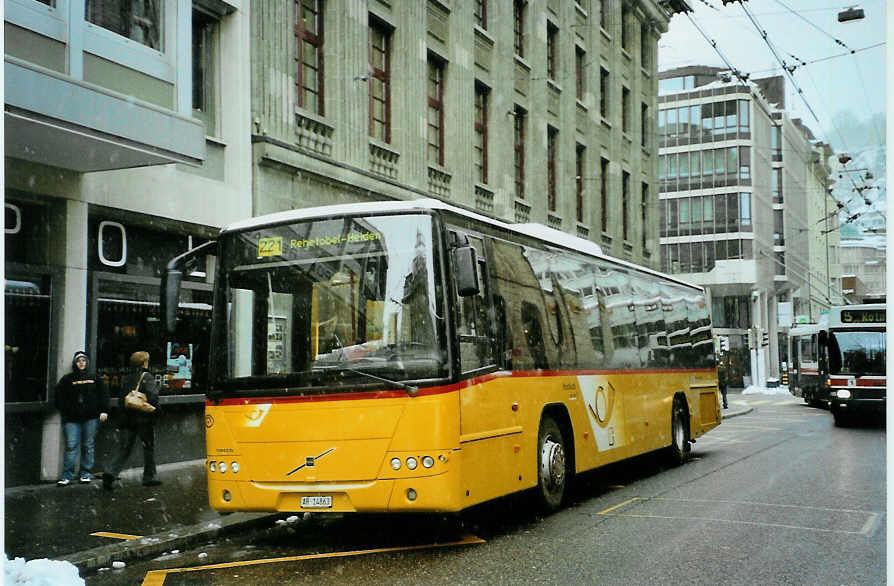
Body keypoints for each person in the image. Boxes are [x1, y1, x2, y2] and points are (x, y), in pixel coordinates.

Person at [103, 351, 161, 490]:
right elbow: (153, 398)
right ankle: (149, 476)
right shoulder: (147, 377)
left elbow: (121, 400)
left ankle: (110, 472)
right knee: (148, 447)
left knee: (124, 449)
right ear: (144, 363)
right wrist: (157, 411)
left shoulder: (127, 378)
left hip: (127, 419)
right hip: (143, 420)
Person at [55, 351, 109, 486]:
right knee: (71, 446)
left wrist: (104, 410)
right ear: (75, 363)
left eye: (84, 360)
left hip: (91, 418)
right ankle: (67, 476)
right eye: (79, 361)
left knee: (88, 445)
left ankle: (85, 473)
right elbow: (58, 398)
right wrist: (67, 410)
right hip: (72, 420)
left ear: (87, 362)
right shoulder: (67, 379)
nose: (81, 363)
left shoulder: (94, 378)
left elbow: (104, 395)